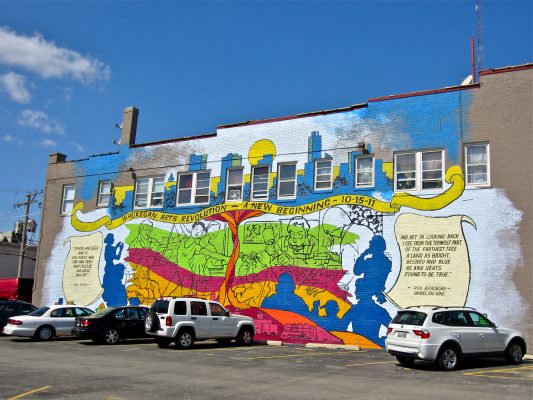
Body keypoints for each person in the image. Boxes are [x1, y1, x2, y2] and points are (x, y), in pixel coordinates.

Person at [102, 233, 127, 307]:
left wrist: (117, 246)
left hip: (109, 266)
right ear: (111, 240)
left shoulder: (108, 247)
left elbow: (112, 251)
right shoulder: (110, 248)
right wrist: (121, 249)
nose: (114, 240)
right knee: (120, 268)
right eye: (113, 239)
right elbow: (117, 257)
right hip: (110, 266)